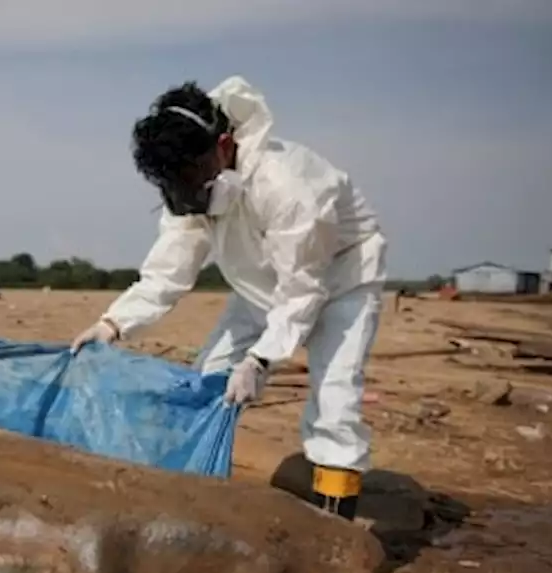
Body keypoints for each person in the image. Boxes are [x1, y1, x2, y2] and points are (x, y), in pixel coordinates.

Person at [70, 76, 388, 521]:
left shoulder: (288, 187)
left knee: (334, 403)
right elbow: (169, 269)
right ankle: (192, 499)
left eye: (192, 178)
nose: (186, 193)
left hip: (339, 282)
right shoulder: (188, 191)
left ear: (222, 145)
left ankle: (334, 530)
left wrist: (261, 360)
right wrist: (114, 323)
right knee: (211, 380)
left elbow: (301, 290)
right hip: (258, 289)